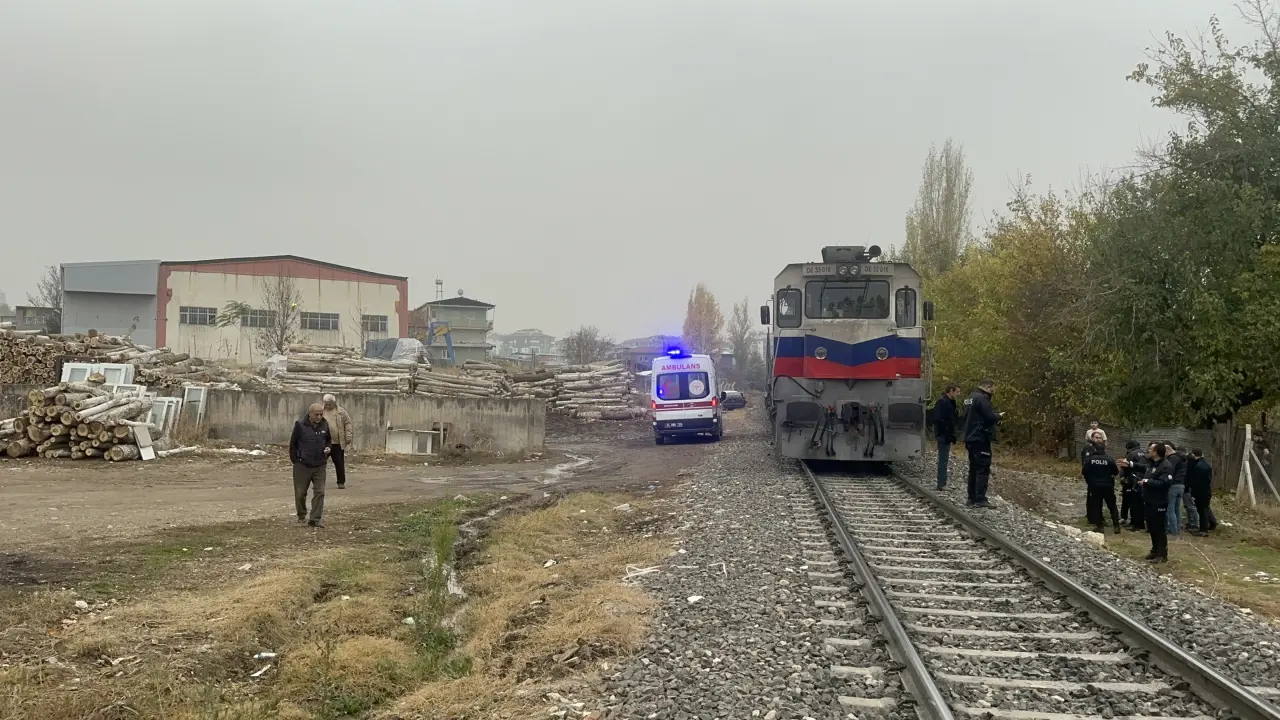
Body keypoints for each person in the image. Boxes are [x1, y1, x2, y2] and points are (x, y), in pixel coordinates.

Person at [962, 379, 1003, 508]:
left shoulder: (969, 398)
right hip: (980, 437)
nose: (993, 392)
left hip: (969, 437)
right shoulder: (982, 399)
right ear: (989, 388)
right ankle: (980, 499)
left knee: (973, 468)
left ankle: (971, 498)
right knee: (982, 468)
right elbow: (989, 417)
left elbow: (963, 416)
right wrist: (998, 416)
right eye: (993, 389)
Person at [290, 403, 332, 528]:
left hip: (320, 464)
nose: (319, 417)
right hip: (302, 464)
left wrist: (328, 449)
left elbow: (329, 440)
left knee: (320, 491)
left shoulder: (325, 425)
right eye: (316, 414)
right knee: (300, 492)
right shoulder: (300, 425)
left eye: (321, 414)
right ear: (310, 413)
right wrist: (296, 460)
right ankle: (301, 515)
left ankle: (315, 519)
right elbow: (293, 444)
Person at [1141, 442, 1175, 563]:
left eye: (1150, 449)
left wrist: (1147, 482)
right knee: (1151, 526)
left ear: (1155, 452)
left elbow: (1164, 483)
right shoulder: (1151, 463)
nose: (1148, 451)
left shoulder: (1166, 466)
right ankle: (1154, 550)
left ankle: (1162, 554)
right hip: (1149, 499)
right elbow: (1144, 469)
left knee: (1159, 528)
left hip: (1159, 501)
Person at [1082, 436, 1121, 533]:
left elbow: (1084, 472)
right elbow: (1116, 472)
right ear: (1104, 449)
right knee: (1112, 506)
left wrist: (1090, 481)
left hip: (1094, 487)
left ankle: (1099, 526)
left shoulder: (1090, 460)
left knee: (1097, 506)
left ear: (1095, 449)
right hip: (1108, 486)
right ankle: (1116, 526)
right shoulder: (1109, 459)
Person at [322, 393, 354, 490]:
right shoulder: (320, 411)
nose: (328, 406)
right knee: (320, 463)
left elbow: (348, 423)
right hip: (323, 443)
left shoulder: (341, 412)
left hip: (337, 443)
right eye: (326, 404)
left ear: (334, 402)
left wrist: (348, 436)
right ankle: (318, 482)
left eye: (330, 404)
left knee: (339, 463)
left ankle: (341, 482)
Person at [1164, 443, 1196, 536]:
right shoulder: (1183, 458)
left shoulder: (1173, 458)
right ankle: (1177, 529)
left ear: (1167, 451)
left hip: (1173, 485)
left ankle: (1172, 531)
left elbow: (1170, 471)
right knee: (1177, 508)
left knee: (1170, 509)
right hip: (1181, 485)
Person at [933, 383, 960, 490]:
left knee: (944, 459)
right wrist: (947, 432)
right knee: (943, 459)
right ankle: (941, 483)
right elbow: (938, 419)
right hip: (943, 434)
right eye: (957, 392)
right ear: (951, 391)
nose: (958, 394)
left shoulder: (950, 402)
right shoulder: (942, 402)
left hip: (947, 434)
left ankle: (943, 482)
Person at [1187, 448, 1218, 536]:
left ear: (1193, 455)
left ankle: (1203, 530)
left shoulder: (1199, 466)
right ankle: (1206, 526)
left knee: (1202, 511)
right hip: (1206, 491)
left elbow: (1197, 482)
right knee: (1204, 509)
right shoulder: (1205, 464)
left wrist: (1193, 494)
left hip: (1201, 492)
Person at [1119, 439, 1148, 530]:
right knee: (1140, 503)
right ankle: (1140, 523)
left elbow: (1125, 466)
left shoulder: (1131, 454)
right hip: (1141, 479)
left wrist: (1124, 478)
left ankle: (1134, 524)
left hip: (1132, 480)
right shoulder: (1143, 453)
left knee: (1133, 503)